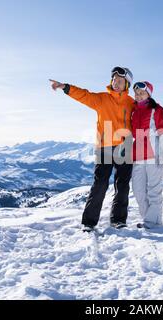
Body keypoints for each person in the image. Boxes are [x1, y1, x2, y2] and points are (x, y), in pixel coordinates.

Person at [50, 67, 135, 232]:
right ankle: (89, 222)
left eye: (120, 81)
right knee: (100, 184)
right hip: (104, 147)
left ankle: (118, 220)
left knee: (122, 185)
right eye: (114, 80)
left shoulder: (132, 103)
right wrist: (65, 87)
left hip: (125, 147)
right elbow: (84, 95)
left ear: (127, 84)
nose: (116, 83)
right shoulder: (102, 99)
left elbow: (145, 115)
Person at [131, 81, 163, 229]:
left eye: (142, 93)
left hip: (154, 154)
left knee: (154, 190)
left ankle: (152, 221)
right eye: (137, 93)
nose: (139, 96)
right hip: (138, 155)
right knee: (138, 189)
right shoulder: (133, 110)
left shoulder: (157, 109)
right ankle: (148, 218)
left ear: (149, 94)